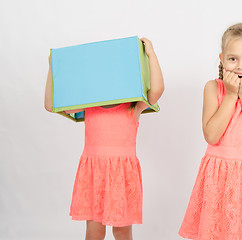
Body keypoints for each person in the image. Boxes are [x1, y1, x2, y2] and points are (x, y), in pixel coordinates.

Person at [44, 37, 164, 240]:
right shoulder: (89, 104)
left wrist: (151, 54)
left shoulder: (133, 106)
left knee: (122, 230)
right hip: (95, 173)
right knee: (94, 230)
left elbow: (157, 90)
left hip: (121, 175)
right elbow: (52, 104)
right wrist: (52, 67)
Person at [178, 23, 242, 239]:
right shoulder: (213, 88)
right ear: (222, 58)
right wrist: (232, 94)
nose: (241, 66)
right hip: (218, 175)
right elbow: (211, 135)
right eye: (233, 59)